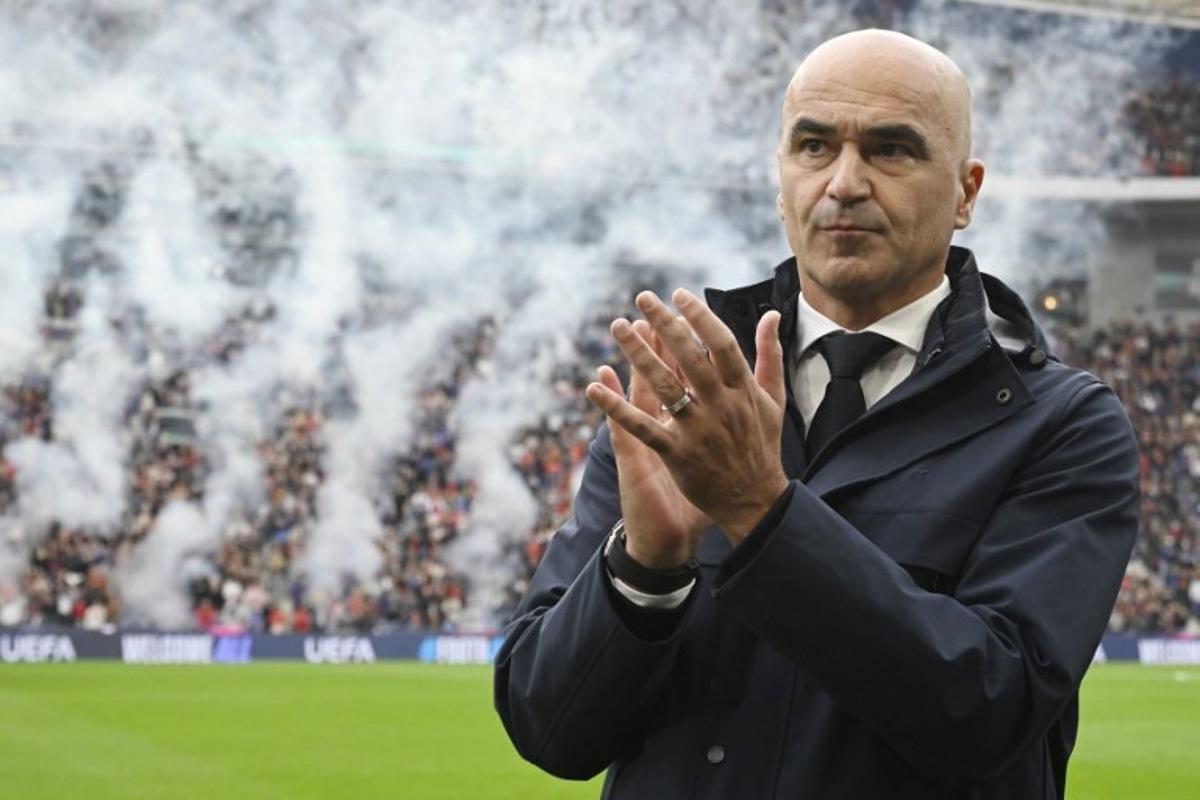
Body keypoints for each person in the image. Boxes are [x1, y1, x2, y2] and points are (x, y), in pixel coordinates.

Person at [494, 29, 1139, 799]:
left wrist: (761, 513)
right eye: (813, 146)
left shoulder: (1060, 423)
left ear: (965, 192)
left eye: (891, 149)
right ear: (781, 180)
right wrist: (643, 571)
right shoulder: (683, 399)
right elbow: (548, 730)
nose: (844, 182)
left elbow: (989, 714)